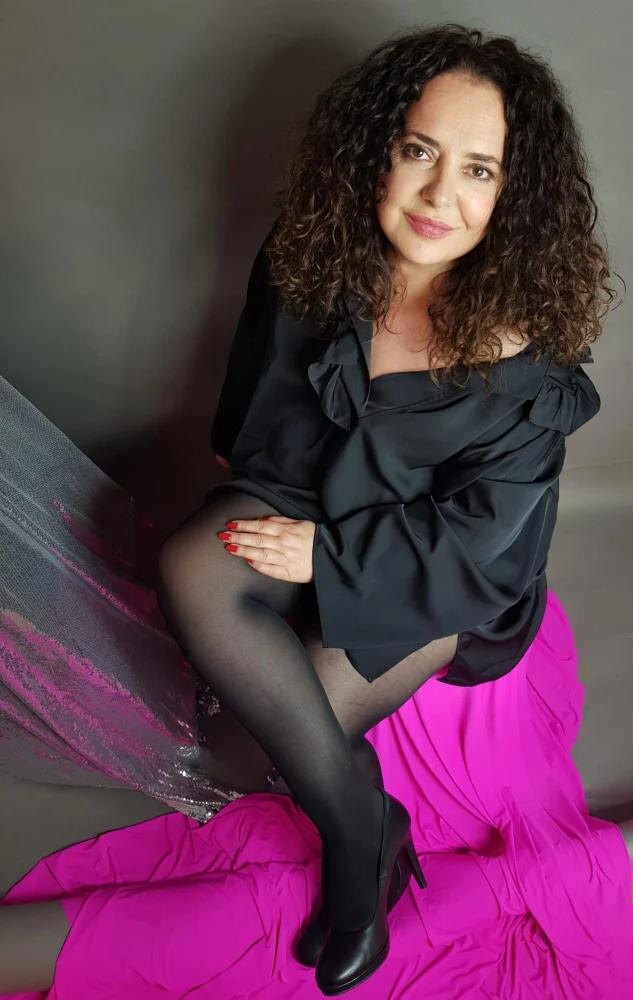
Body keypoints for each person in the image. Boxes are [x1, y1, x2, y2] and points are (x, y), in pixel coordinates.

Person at [0, 22, 619, 998]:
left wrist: (328, 558)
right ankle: (360, 818)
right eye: (417, 151)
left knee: (288, 727)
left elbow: (477, 553)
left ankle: (353, 824)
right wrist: (277, 510)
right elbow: (259, 415)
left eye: (477, 170)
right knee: (193, 564)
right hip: (309, 488)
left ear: (513, 196)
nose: (438, 195)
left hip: (437, 571)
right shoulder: (314, 255)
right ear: (378, 150)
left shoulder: (524, 364)